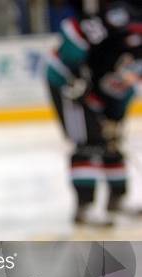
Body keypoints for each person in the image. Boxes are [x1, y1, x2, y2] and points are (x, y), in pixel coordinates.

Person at [46, 1, 141, 225]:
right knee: (87, 141)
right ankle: (84, 208)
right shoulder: (124, 14)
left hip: (102, 86)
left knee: (112, 140)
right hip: (67, 79)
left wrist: (115, 117)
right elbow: (73, 32)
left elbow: (125, 85)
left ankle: (117, 200)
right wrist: (76, 74)